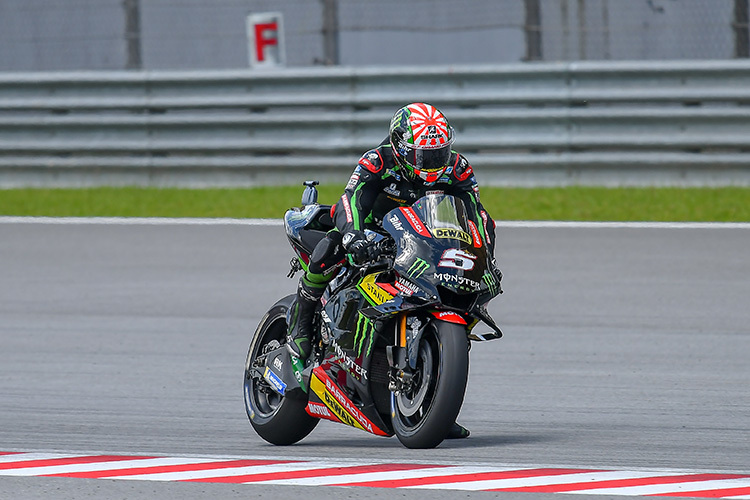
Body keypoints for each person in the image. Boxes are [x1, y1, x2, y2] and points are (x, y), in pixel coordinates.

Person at [286, 102, 501, 439]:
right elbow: (351, 201)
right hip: (372, 236)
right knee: (331, 246)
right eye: (424, 156)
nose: (433, 164)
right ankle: (300, 327)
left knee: (461, 301)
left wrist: (485, 254)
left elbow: (477, 217)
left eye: (439, 153)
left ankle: (437, 401)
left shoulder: (458, 169)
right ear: (400, 147)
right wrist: (354, 234)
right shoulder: (378, 161)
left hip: (425, 244)